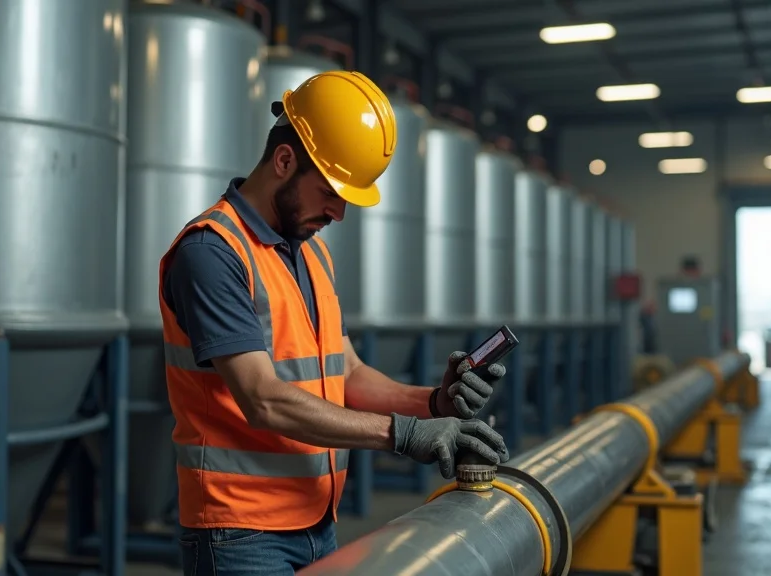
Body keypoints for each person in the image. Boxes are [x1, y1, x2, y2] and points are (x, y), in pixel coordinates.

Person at [157, 70, 510, 576]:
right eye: (329, 191)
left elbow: (347, 372)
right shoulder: (212, 253)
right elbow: (262, 399)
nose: (338, 212)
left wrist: (432, 402)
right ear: (284, 161)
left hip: (317, 519)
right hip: (239, 533)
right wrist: (404, 435)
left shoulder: (312, 256)